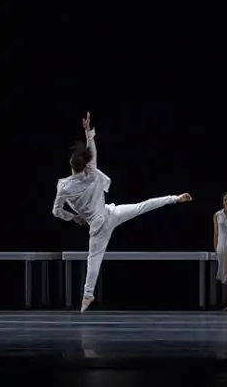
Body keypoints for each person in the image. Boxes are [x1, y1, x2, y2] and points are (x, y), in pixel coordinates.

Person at [52, 112, 192, 313]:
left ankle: (88, 295)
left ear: (71, 164)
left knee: (94, 259)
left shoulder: (64, 187)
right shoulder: (92, 172)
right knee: (141, 206)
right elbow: (93, 150)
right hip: (110, 214)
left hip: (99, 223)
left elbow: (56, 211)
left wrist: (73, 217)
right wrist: (88, 132)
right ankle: (174, 198)